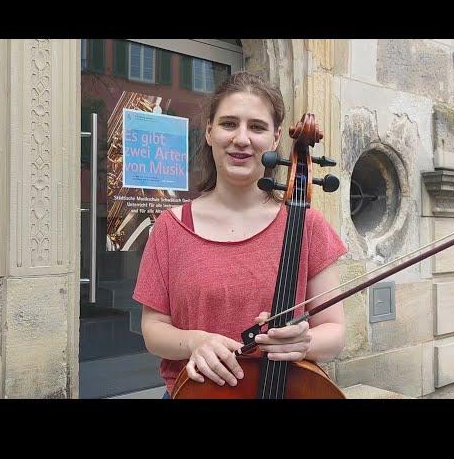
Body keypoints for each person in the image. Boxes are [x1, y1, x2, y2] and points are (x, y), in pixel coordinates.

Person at [132, 71, 347, 399]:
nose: (242, 139)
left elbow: (334, 330)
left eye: (256, 127)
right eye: (229, 124)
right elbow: (153, 330)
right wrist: (195, 342)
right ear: (209, 131)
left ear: (275, 139)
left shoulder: (307, 225)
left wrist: (304, 342)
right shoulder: (170, 227)